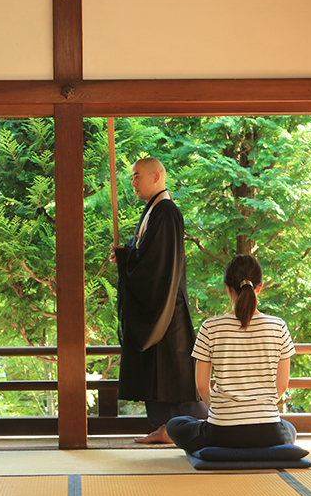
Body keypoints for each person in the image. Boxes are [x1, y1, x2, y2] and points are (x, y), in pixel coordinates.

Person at [111, 157, 207, 444]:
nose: (133, 181)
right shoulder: (154, 210)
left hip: (166, 307)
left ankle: (196, 424)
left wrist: (128, 258)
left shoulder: (166, 212)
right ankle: (165, 426)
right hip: (157, 304)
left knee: (172, 370)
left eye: (137, 176)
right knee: (158, 368)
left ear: (156, 177)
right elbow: (143, 252)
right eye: (130, 177)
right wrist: (125, 253)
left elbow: (155, 263)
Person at [166, 254, 297, 453]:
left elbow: (202, 386)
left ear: (227, 288)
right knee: (289, 429)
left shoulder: (210, 327)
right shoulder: (278, 326)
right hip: (268, 433)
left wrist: (220, 410)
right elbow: (282, 385)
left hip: (222, 432)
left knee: (175, 425)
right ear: (259, 288)